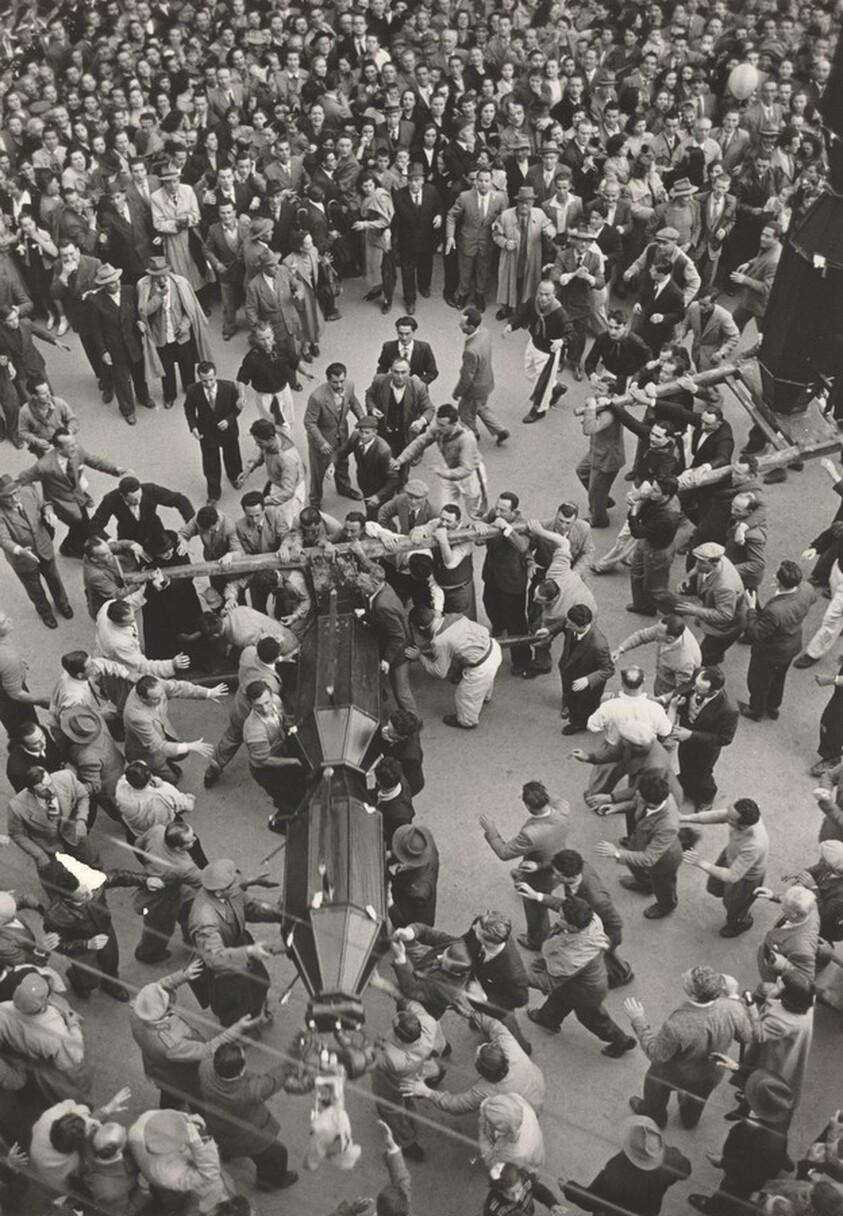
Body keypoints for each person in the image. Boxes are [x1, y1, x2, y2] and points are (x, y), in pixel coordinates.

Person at [624, 964, 754, 1129]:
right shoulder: (732, 1007)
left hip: (675, 1074)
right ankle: (689, 1121)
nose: (683, 974)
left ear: (693, 994)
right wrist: (734, 997)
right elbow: (746, 1036)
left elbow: (656, 1054)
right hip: (710, 1073)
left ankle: (655, 1117)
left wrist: (639, 1020)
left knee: (655, 1087)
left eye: (688, 978)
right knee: (697, 1099)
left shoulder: (677, 1025)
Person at [520, 895, 637, 1057]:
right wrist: (537, 895)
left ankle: (621, 1041)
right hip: (578, 982)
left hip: (586, 992)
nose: (559, 919)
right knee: (559, 999)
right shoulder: (590, 919)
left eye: (563, 919)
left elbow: (548, 981)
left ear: (573, 928)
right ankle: (547, 1019)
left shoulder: (572, 957)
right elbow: (562, 905)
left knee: (593, 1019)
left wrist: (517, 975)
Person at [188, 858, 283, 1028]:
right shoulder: (204, 919)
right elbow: (214, 958)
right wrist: (248, 952)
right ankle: (235, 1033)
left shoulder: (230, 891)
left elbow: (251, 908)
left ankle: (255, 1013)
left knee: (260, 983)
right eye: (234, 885)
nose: (239, 887)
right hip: (224, 965)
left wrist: (279, 913)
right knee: (233, 1002)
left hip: (240, 944)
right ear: (219, 893)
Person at [688, 1070, 794, 1216]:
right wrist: (736, 1066)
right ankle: (784, 1161)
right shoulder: (781, 1108)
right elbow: (761, 1078)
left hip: (743, 1174)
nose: (745, 1097)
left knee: (730, 1193)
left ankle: (713, 1208)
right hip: (766, 1154)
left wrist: (723, 1161)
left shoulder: (768, 1144)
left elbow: (749, 1172)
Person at [480, 782, 571, 952]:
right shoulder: (563, 810)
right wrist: (534, 793)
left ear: (528, 806)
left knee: (535, 907)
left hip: (540, 877)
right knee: (525, 873)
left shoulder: (531, 834)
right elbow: (555, 799)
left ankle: (536, 940)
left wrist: (491, 831)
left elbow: (504, 852)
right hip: (555, 861)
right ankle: (521, 876)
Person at [199, 1041, 299, 1191]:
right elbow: (274, 1079)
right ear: (241, 1071)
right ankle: (270, 1183)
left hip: (217, 1126)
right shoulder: (251, 1091)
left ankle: (227, 1154)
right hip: (245, 1137)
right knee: (277, 1153)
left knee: (226, 1144)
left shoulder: (205, 1068)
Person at [18, 428, 126, 559]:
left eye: (74, 443)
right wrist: (39, 501)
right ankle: (73, 548)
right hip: (62, 504)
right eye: (70, 446)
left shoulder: (77, 451)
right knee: (82, 525)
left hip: (79, 497)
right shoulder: (44, 466)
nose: (75, 448)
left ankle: (68, 546)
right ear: (59, 449)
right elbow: (23, 479)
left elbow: (94, 461)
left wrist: (114, 469)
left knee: (82, 526)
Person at [561, 1116, 692, 1216]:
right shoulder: (672, 1158)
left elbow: (590, 1201)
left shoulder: (614, 1173)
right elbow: (686, 1170)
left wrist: (568, 1187)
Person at [596, 771, 683, 919]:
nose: (637, 795)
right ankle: (645, 884)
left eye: (640, 796)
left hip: (663, 860)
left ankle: (666, 905)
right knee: (635, 866)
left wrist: (616, 853)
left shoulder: (667, 825)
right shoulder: (650, 794)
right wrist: (616, 807)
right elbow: (634, 803)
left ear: (651, 803)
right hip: (640, 842)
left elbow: (649, 859)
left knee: (663, 886)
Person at [740, 561, 818, 722]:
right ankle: (773, 706)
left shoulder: (775, 610)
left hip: (770, 652)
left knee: (758, 681)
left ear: (778, 581)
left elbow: (756, 633)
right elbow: (812, 600)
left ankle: (755, 710)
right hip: (791, 646)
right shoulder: (807, 589)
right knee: (779, 677)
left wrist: (751, 608)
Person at [681, 799, 771, 937]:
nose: (726, 816)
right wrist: (683, 817)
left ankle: (740, 922)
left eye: (730, 818)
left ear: (743, 825)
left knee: (735, 907)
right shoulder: (739, 814)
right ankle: (736, 904)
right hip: (731, 857)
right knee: (714, 888)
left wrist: (700, 862)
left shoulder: (754, 845)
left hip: (745, 878)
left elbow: (732, 876)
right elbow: (718, 816)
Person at [408, 603, 501, 728]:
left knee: (464, 695)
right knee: (484, 681)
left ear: (422, 628)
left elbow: (440, 672)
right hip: (493, 647)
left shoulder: (440, 641)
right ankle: (485, 696)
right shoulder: (455, 616)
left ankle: (467, 721)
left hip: (482, 666)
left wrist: (420, 657)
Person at [137, 255, 212, 409]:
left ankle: (190, 390)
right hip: (161, 336)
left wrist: (185, 325)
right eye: (157, 276)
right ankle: (169, 396)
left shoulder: (181, 283)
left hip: (181, 334)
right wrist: (159, 296)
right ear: (151, 274)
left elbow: (190, 310)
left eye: (164, 274)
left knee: (187, 365)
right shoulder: (144, 286)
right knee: (167, 369)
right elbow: (144, 311)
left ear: (168, 271)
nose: (161, 278)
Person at [84, 263, 154, 425]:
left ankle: (144, 397)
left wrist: (140, 323)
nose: (115, 285)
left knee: (139, 373)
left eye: (116, 281)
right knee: (122, 380)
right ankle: (128, 409)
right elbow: (96, 330)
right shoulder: (95, 301)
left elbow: (137, 312)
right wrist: (103, 351)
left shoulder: (129, 291)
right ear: (103, 285)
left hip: (133, 341)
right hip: (114, 347)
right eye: (110, 283)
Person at [0, 473, 72, 628]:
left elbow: (44, 503)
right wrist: (20, 550)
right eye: (8, 497)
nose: (14, 499)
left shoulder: (28, 491)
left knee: (54, 578)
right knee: (34, 588)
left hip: (43, 546)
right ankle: (45, 612)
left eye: (15, 493)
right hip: (23, 558)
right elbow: (3, 539)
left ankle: (62, 604)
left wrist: (49, 512)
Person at [7, 765, 94, 893]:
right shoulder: (17, 807)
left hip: (74, 833)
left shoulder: (66, 777)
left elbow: (83, 796)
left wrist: (81, 820)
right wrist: (40, 855)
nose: (51, 791)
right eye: (43, 790)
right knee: (57, 884)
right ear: (32, 791)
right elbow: (16, 834)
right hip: (49, 847)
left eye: (50, 784)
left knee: (91, 863)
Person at [123, 674, 225, 782]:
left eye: (162, 694)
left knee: (181, 753)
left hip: (161, 732)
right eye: (156, 699)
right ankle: (156, 771)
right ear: (143, 698)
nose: (162, 698)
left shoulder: (155, 686)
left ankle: (167, 763)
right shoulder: (136, 716)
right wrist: (190, 746)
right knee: (171, 779)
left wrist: (208, 693)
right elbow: (158, 747)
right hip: (147, 753)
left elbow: (178, 687)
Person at [393, 403, 487, 520]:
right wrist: (400, 460)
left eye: (443, 425)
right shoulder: (438, 428)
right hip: (448, 469)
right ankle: (450, 531)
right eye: (437, 423)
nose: (438, 427)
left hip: (471, 475)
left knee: (475, 512)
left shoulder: (466, 438)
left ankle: (482, 531)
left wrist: (443, 473)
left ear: (454, 424)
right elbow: (419, 443)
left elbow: (466, 469)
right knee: (446, 511)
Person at [128, 1108, 231, 1213]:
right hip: (173, 1191)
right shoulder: (167, 1174)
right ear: (177, 1149)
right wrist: (200, 1145)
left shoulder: (147, 1118)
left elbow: (174, 1117)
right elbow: (210, 1174)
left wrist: (188, 1119)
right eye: (183, 1142)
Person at [505, 279, 572, 424]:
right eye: (541, 294)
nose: (543, 298)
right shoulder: (532, 303)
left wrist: (561, 341)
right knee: (529, 373)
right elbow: (521, 314)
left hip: (548, 353)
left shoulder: (559, 313)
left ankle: (539, 410)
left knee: (542, 384)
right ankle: (555, 387)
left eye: (548, 295)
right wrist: (511, 325)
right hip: (533, 344)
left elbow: (571, 333)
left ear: (554, 295)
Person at [672, 666, 739, 811]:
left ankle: (706, 798)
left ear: (714, 692)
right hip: (685, 738)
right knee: (684, 762)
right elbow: (685, 688)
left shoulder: (729, 709)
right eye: (695, 683)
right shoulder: (698, 679)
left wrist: (691, 735)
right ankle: (686, 782)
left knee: (702, 774)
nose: (694, 688)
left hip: (705, 749)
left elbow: (725, 738)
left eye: (700, 689)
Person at [242, 679, 305, 828]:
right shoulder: (254, 731)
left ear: (271, 696)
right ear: (251, 705)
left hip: (279, 750)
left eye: (267, 702)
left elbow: (283, 719)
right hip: (266, 770)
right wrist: (294, 762)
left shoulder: (276, 701)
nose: (265, 709)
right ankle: (280, 820)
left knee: (294, 787)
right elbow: (264, 761)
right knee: (288, 797)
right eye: (258, 706)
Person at [445, 166, 507, 311]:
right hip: (467, 240)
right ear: (476, 182)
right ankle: (462, 294)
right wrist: (450, 237)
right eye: (480, 180)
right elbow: (451, 216)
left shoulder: (500, 198)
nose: (483, 183)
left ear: (492, 182)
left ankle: (480, 295)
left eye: (487, 180)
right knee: (465, 270)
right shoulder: (465, 197)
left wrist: (499, 224)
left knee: (483, 271)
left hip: (487, 241)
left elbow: (505, 217)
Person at [482, 493, 531, 675]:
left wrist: (506, 529)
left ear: (514, 511)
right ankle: (498, 624)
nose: (498, 513)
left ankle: (522, 659)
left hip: (512, 580)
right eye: (497, 508)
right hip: (492, 574)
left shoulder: (522, 525)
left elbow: (522, 546)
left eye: (503, 510)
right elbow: (481, 522)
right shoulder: (494, 514)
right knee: (489, 603)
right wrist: (478, 524)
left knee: (516, 622)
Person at [304, 362, 365, 508]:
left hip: (342, 433)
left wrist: (363, 420)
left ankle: (344, 488)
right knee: (318, 471)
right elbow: (309, 423)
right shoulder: (317, 397)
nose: (339, 385)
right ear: (328, 380)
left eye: (341, 381)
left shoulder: (349, 386)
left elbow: (354, 402)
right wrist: (322, 443)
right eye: (335, 382)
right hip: (323, 439)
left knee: (342, 463)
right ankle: (315, 500)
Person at [184, 362, 244, 506]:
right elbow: (189, 409)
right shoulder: (193, 391)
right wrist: (193, 427)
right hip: (207, 432)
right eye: (204, 380)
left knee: (232, 456)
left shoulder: (229, 387)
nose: (209, 384)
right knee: (210, 464)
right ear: (199, 378)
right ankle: (213, 493)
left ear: (215, 375)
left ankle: (235, 477)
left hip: (227, 430)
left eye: (211, 379)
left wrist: (229, 420)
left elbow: (237, 408)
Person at [454, 306, 508, 444]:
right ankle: (500, 430)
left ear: (471, 327)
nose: (460, 325)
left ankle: (473, 434)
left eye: (463, 324)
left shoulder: (470, 351)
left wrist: (458, 392)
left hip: (475, 388)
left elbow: (467, 377)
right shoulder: (484, 333)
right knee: (480, 407)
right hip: (487, 381)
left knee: (465, 412)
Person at [575, 396, 626, 528]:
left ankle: (599, 520)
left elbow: (588, 429)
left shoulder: (609, 413)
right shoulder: (603, 407)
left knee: (595, 492)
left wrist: (591, 409)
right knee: (582, 471)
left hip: (607, 459)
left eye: (600, 391)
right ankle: (603, 500)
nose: (596, 394)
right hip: (596, 452)